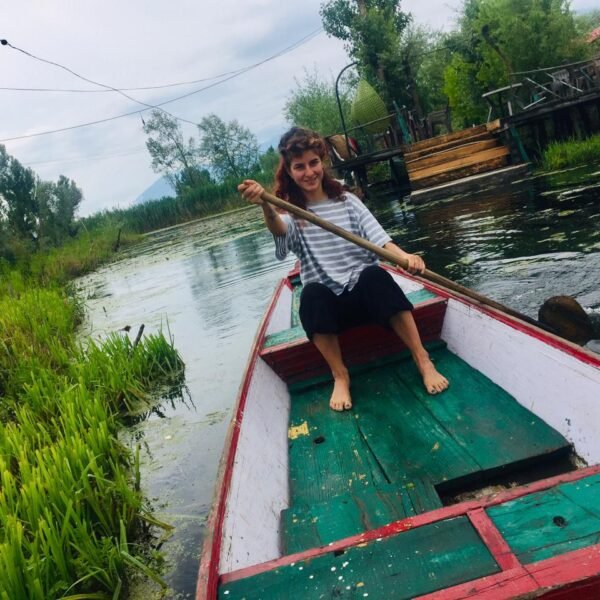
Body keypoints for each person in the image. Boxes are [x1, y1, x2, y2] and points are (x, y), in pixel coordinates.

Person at [238, 127, 448, 411]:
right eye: (299, 167)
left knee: (375, 275)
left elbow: (380, 238)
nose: (309, 172)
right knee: (310, 294)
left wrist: (404, 257)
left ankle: (422, 359)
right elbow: (279, 229)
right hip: (331, 312)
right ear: (289, 171)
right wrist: (265, 204)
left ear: (322, 162)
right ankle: (340, 375)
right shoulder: (292, 212)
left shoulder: (347, 200)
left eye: (313, 163)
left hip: (368, 301)